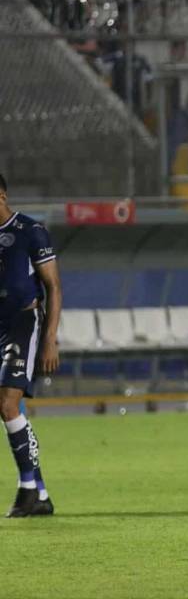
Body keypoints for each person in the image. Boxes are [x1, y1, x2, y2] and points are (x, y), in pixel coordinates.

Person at [0, 173, 61, 517]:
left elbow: (53, 285)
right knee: (10, 408)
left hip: (24, 321)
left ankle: (27, 490)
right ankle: (40, 493)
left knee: (9, 403)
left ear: (2, 195)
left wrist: (50, 339)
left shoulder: (29, 231)